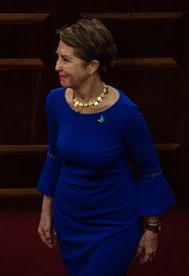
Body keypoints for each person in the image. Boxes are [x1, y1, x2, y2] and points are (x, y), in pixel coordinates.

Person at [36, 18, 175, 275]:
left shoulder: (126, 114)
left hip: (114, 224)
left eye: (66, 60)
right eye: (58, 57)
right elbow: (54, 155)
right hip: (70, 220)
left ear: (92, 66)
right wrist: (46, 210)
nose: (57, 66)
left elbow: (149, 171)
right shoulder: (55, 102)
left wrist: (152, 229)